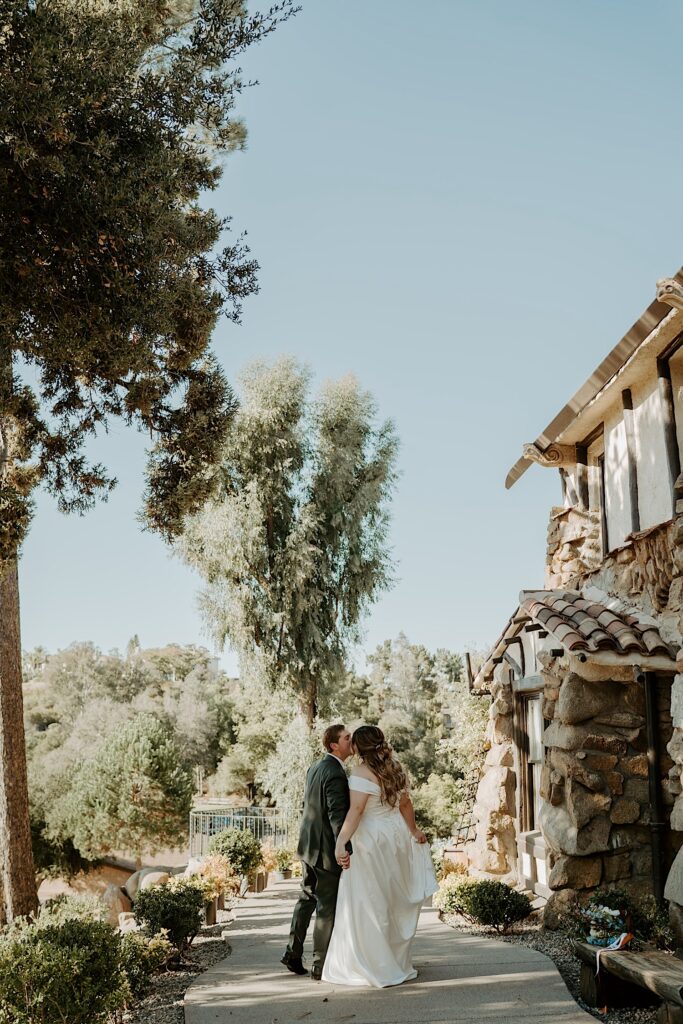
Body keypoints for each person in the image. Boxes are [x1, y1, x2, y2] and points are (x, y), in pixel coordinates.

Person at [321, 724, 438, 988]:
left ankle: (374, 964)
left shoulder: (361, 771)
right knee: (391, 898)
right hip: (396, 837)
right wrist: (414, 831)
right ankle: (395, 961)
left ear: (358, 747)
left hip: (372, 841)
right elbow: (406, 803)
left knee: (369, 900)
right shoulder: (395, 768)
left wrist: (341, 842)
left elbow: (357, 811)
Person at [281, 723, 353, 980]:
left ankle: (292, 953)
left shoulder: (316, 767)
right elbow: (336, 814)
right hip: (324, 851)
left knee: (306, 899)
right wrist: (342, 846)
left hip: (308, 846)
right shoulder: (334, 773)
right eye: (346, 738)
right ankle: (320, 965)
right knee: (326, 907)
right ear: (334, 745)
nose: (351, 740)